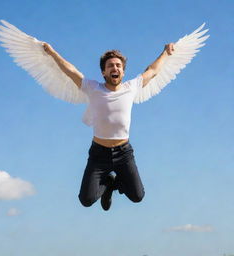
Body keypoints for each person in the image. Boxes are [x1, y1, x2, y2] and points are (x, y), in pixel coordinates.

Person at [43, 43, 175, 211]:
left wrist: (166, 52)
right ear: (104, 72)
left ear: (123, 72)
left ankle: (114, 183)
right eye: (110, 66)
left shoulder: (131, 87)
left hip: (124, 153)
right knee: (86, 200)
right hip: (99, 154)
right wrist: (52, 53)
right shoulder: (93, 88)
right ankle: (107, 183)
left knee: (137, 196)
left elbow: (153, 70)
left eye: (118, 66)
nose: (115, 68)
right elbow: (70, 71)